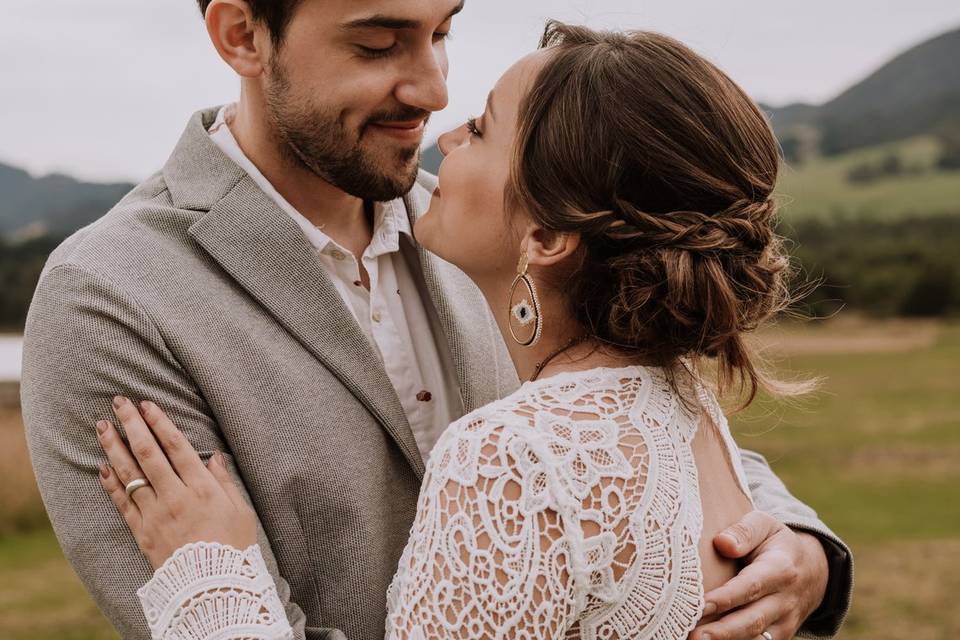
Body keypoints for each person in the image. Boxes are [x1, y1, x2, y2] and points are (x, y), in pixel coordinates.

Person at [21, 2, 851, 640]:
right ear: (242, 34)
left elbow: (638, 421)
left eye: (442, 30)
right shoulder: (112, 295)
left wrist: (806, 556)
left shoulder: (494, 226)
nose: (433, 89)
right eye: (378, 44)